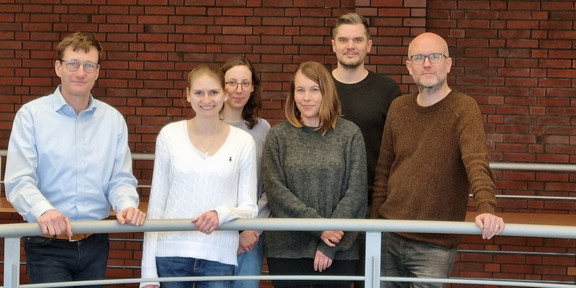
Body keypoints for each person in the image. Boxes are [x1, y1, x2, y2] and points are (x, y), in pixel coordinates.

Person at [4, 32, 146, 288]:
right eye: (73, 64)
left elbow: (121, 178)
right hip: (47, 242)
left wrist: (126, 204)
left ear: (97, 72)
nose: (80, 72)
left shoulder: (113, 120)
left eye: (88, 65)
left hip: (95, 242)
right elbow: (18, 179)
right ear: (58, 67)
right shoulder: (31, 116)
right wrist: (44, 210)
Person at [370, 32, 505, 288]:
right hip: (389, 235)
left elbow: (476, 163)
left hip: (435, 243)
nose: (427, 63)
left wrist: (486, 208)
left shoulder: (464, 108)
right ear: (409, 67)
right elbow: (384, 170)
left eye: (434, 56)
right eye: (419, 57)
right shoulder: (398, 108)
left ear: (448, 63)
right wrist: (376, 225)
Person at [140, 64, 258, 288]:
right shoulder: (169, 135)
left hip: (219, 254)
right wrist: (148, 272)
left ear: (224, 94)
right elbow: (156, 205)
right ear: (188, 95)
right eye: (198, 92)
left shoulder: (243, 142)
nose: (207, 99)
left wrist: (220, 214)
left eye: (213, 92)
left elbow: (249, 207)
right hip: (170, 253)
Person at [263, 61, 367, 288]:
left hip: (338, 252)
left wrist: (330, 244)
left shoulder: (349, 134)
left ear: (326, 93)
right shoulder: (278, 136)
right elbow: (276, 192)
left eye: (314, 89)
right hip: (287, 252)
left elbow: (356, 193)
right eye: (300, 90)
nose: (306, 97)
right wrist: (320, 227)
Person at [330, 12, 402, 287]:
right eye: (344, 39)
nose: (351, 45)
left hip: (374, 205)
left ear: (369, 45)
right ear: (333, 44)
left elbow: (398, 148)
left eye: (358, 39)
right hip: (326, 208)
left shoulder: (387, 89)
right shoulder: (317, 88)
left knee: (370, 282)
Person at [220, 56, 271, 288]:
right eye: (231, 83)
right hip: (215, 233)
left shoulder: (263, 129)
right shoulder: (206, 126)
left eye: (245, 83)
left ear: (253, 88)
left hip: (252, 234)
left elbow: (269, 186)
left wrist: (252, 228)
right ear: (221, 86)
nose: (238, 90)